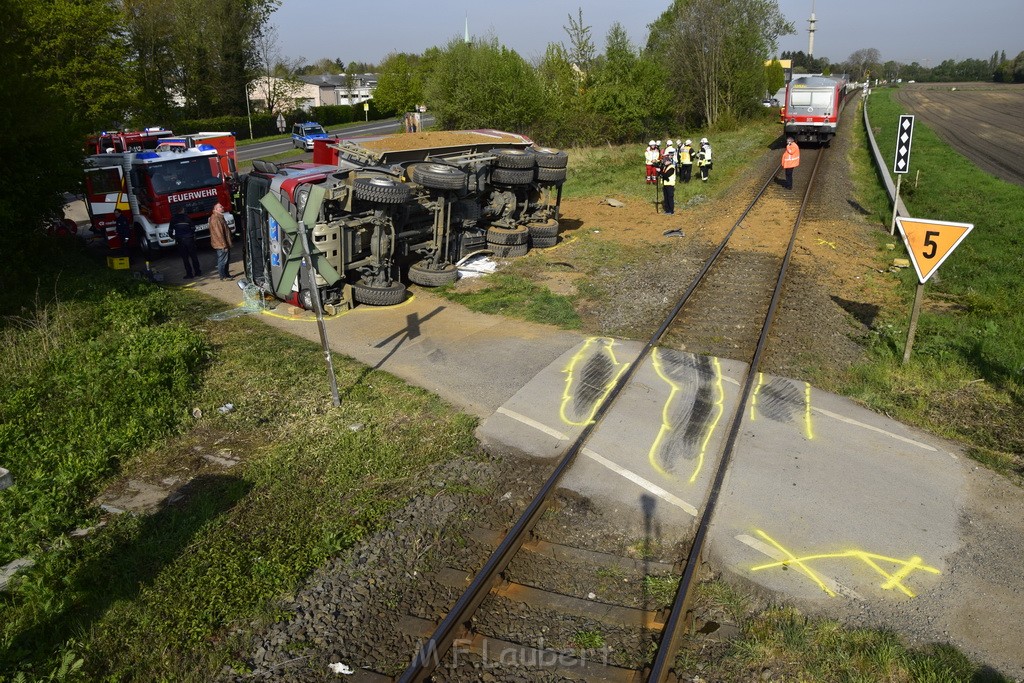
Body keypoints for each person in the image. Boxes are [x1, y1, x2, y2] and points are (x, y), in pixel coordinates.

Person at [168, 209, 201, 279]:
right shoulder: (187, 218)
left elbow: (170, 231)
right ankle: (198, 272)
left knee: (185, 258)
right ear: (182, 211)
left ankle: (189, 274)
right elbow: (193, 228)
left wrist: (173, 237)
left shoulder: (173, 219)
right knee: (194, 256)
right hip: (189, 239)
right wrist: (192, 235)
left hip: (180, 241)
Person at [209, 202, 233, 280]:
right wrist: (224, 245)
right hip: (221, 244)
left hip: (223, 243)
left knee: (226, 260)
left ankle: (226, 274)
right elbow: (219, 233)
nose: (222, 207)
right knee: (223, 261)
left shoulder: (220, 217)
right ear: (216, 209)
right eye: (220, 206)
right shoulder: (216, 218)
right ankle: (223, 276)